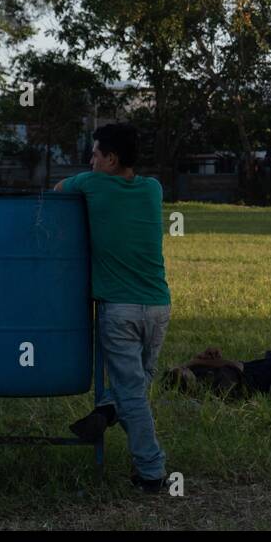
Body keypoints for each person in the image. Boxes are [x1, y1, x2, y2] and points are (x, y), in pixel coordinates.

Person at [57, 123, 172, 493]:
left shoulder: (90, 184)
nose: (90, 161)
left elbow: (56, 193)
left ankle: (151, 471)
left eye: (94, 154)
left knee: (132, 392)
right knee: (139, 381)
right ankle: (108, 408)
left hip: (118, 310)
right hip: (158, 305)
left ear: (111, 158)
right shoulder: (153, 189)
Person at [164, 347, 271, 398]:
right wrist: (213, 361)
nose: (184, 367)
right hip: (254, 377)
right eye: (184, 370)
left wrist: (199, 360)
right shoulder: (211, 385)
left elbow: (177, 370)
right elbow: (233, 368)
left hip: (246, 367)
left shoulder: (192, 374)